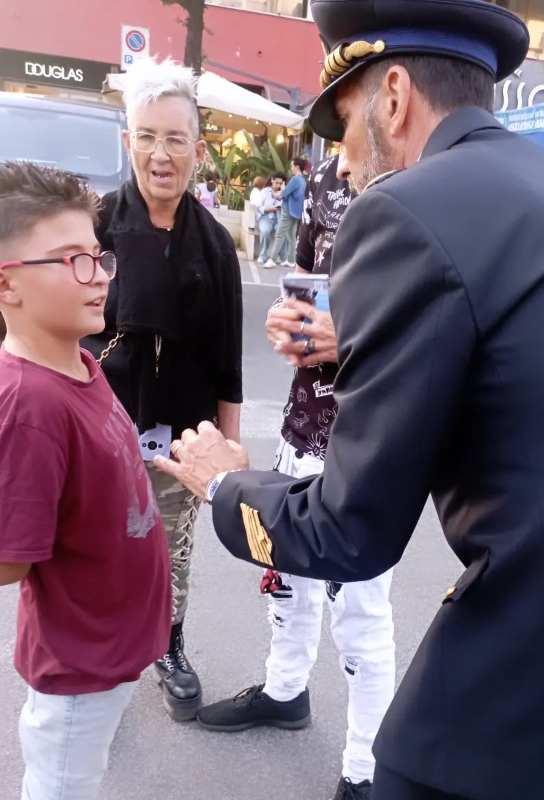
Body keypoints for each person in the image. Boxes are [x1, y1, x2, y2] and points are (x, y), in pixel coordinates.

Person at [155, 2, 544, 799]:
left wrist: (224, 483)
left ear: (393, 97)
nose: (348, 161)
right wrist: (352, 341)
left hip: (540, 631)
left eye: (348, 124)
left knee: (404, 773)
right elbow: (536, 369)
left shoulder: (404, 209)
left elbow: (349, 531)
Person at [197, 156, 394, 800]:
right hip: (298, 424)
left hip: (368, 444)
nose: (345, 137)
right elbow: (304, 282)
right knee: (288, 583)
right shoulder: (328, 180)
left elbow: (448, 327)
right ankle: (285, 692)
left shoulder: (427, 185)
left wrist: (356, 338)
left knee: (360, 615)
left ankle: (365, 770)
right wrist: (287, 321)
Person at [0, 162, 170, 799]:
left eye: (98, 256)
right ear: (8, 286)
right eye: (71, 260)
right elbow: (9, 560)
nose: (98, 276)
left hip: (111, 650)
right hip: (79, 668)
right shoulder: (28, 404)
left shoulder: (81, 362)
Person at [83, 57, 243, 723]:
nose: (160, 154)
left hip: (182, 434)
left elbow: (229, 360)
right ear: (128, 143)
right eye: (147, 136)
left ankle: (168, 647)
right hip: (101, 427)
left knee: (169, 547)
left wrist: (228, 457)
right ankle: (98, 658)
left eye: (175, 139)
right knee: (96, 546)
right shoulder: (94, 226)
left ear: (198, 151)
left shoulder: (214, 244)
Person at [265, 158, 307, 269]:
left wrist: (275, 193)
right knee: (291, 236)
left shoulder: (295, 179)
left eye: (292, 165)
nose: (291, 168)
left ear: (297, 167)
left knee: (279, 234)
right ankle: (291, 260)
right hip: (296, 212)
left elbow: (283, 194)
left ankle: (272, 259)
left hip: (288, 211)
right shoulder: (303, 180)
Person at [256, 173, 285, 264]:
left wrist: (283, 190)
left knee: (282, 231)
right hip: (266, 217)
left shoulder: (284, 193)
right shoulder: (265, 191)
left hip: (279, 218)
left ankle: (280, 257)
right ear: (272, 180)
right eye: (276, 183)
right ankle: (263, 255)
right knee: (265, 231)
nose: (278, 185)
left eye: (280, 183)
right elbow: (259, 207)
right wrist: (270, 209)